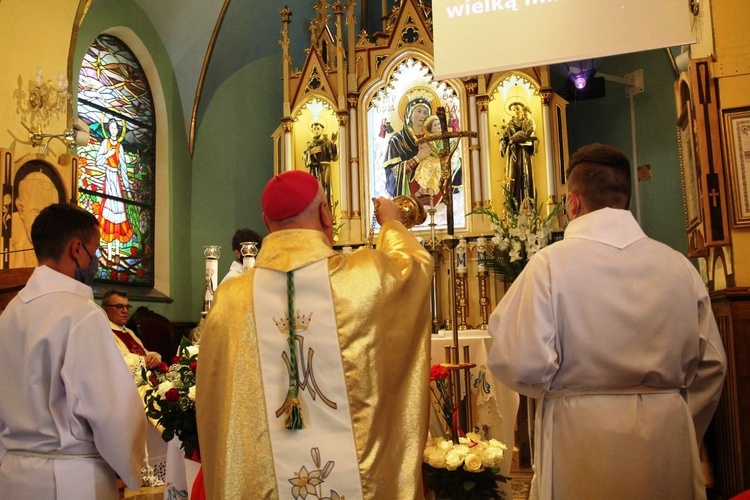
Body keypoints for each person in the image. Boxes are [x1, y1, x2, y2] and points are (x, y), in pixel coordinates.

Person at [487, 143, 727, 500]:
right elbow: (712, 365)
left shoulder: (549, 266)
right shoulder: (679, 266)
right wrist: (676, 417)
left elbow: (517, 361)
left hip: (579, 435)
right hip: (666, 437)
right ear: (625, 201)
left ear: (573, 202)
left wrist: (561, 391)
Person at [196, 170, 434, 499]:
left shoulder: (232, 299)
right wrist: (392, 223)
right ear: (325, 213)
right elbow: (413, 265)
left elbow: (216, 403)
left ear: (266, 223)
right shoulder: (365, 277)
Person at [0, 203, 146, 499]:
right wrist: (133, 469)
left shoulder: (9, 314)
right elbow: (112, 413)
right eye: (96, 250)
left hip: (13, 475)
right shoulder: (82, 315)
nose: (96, 260)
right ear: (77, 249)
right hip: (72, 479)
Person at [101, 289, 167, 488]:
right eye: (119, 306)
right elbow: (116, 360)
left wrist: (153, 356)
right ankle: (142, 470)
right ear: (105, 309)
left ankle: (161, 464)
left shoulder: (127, 332)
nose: (124, 311)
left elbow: (144, 353)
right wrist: (144, 361)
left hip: (142, 382)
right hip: (124, 390)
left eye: (126, 306)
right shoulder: (104, 331)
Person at [96, 118, 135, 260]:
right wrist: (107, 154)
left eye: (116, 128)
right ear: (108, 129)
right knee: (108, 214)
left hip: (116, 180)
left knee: (118, 214)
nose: (114, 130)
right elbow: (98, 161)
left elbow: (123, 168)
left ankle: (117, 254)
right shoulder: (105, 143)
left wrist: (128, 188)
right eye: (111, 127)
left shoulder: (120, 147)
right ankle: (110, 252)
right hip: (108, 178)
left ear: (118, 130)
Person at [382, 94, 433, 197]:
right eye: (418, 111)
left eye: (426, 112)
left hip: (433, 193)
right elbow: (392, 174)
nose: (422, 115)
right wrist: (417, 159)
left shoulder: (434, 138)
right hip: (408, 196)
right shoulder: (397, 140)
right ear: (409, 114)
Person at [9, 171, 61, 268]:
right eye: (37, 212)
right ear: (21, 208)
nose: (45, 223)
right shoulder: (8, 231)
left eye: (50, 216)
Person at [499, 101, 537, 205]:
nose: (516, 111)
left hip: (524, 152)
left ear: (522, 110)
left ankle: (528, 205)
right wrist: (503, 143)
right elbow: (504, 139)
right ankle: (512, 208)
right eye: (514, 109)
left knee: (525, 176)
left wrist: (527, 141)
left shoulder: (528, 122)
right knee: (512, 176)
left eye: (518, 108)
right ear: (511, 111)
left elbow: (532, 138)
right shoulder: (508, 125)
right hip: (513, 153)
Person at [303, 121, 338, 207]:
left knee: (325, 189)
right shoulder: (311, 145)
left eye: (318, 128)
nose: (316, 131)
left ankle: (326, 209)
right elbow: (305, 162)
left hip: (324, 169)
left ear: (322, 130)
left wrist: (333, 143)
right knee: (313, 190)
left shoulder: (327, 142)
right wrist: (310, 152)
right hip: (314, 170)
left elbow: (334, 158)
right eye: (314, 129)